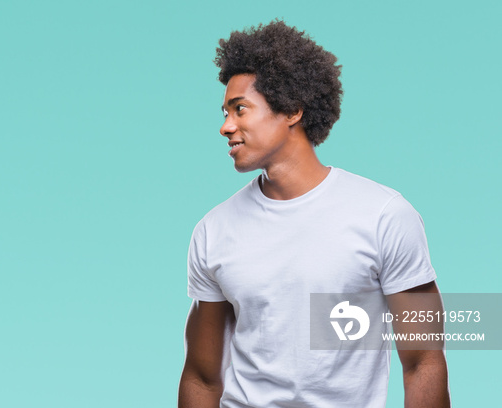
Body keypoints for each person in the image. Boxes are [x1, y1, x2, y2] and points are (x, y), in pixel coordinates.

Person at [178, 20, 450, 408]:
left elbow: (423, 360)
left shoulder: (383, 215)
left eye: (240, 110)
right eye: (225, 112)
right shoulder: (213, 230)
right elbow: (202, 377)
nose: (226, 126)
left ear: (291, 112)